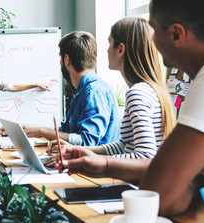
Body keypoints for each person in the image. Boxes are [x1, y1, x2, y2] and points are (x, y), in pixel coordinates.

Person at [55, 0, 204, 216]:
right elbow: (185, 173)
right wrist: (102, 163)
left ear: (177, 34)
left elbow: (159, 195)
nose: (153, 42)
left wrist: (194, 180)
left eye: (154, 30)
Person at [45, 17, 176, 167]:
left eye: (109, 43)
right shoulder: (148, 89)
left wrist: (96, 161)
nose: (106, 49)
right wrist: (79, 152)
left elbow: (145, 156)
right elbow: (123, 146)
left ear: (120, 49)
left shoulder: (137, 94)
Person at [0, 31, 121, 146]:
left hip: (94, 166)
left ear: (66, 59)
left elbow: (87, 141)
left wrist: (41, 131)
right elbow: (68, 132)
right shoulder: (82, 89)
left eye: (60, 57)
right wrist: (31, 130)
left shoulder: (94, 92)